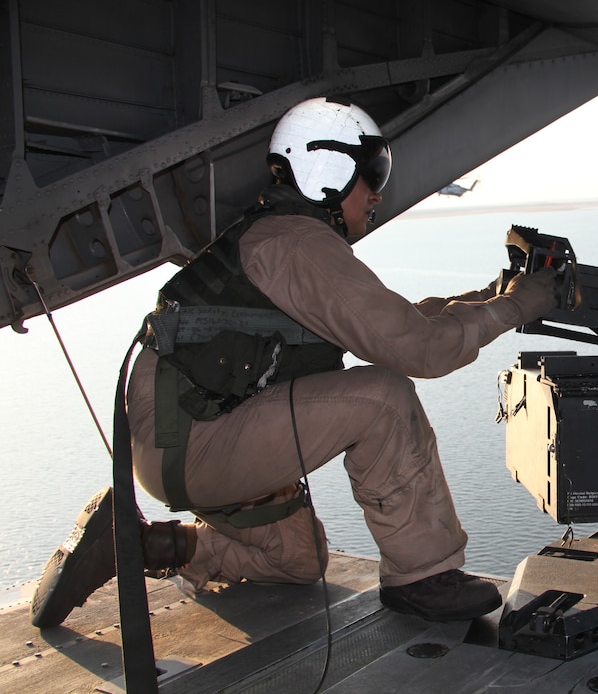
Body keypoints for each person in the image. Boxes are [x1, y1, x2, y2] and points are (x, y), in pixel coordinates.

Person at [30, 96, 558, 628]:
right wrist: (517, 306)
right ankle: (423, 577)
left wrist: (495, 293)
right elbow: (417, 347)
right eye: (370, 174)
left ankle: (139, 545)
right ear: (327, 171)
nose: (377, 192)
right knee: (384, 399)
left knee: (299, 561)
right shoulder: (293, 244)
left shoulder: (283, 236)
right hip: (194, 442)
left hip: (187, 437)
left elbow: (396, 322)